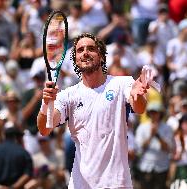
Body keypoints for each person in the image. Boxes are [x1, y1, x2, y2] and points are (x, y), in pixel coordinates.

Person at [37, 33, 149, 189]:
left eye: (91, 48)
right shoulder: (68, 96)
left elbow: (140, 107)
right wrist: (46, 104)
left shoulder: (122, 83)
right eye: (80, 50)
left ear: (102, 56)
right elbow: (44, 128)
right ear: (75, 59)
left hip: (116, 184)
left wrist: (138, 96)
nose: (85, 53)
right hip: (81, 184)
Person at [0, 122, 33, 189]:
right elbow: (27, 174)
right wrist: (13, 187)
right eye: (20, 137)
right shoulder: (24, 153)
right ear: (16, 138)